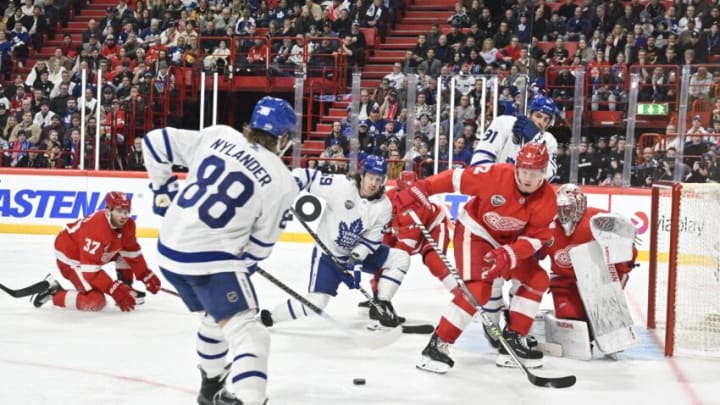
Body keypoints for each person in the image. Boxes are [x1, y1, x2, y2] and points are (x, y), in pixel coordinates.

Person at [144, 96, 299, 405]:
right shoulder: (284, 182)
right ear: (283, 137)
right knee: (250, 333)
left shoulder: (219, 135)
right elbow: (259, 248)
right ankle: (250, 399)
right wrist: (240, 267)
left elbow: (153, 142)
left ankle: (211, 385)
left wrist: (163, 190)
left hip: (168, 251)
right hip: (210, 261)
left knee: (215, 319)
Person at [394, 143, 557, 373]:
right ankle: (437, 345)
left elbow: (537, 237)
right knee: (478, 289)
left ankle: (513, 341)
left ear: (544, 173)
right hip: (475, 232)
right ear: (517, 167)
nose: (528, 178)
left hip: (508, 242)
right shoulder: (495, 175)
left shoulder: (548, 198)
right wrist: (423, 188)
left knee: (537, 278)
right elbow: (455, 179)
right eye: (524, 171)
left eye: (535, 173)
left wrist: (511, 253)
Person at [260, 155, 411, 329]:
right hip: (328, 255)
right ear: (362, 174)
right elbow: (307, 176)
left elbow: (373, 239)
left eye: (379, 179)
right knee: (316, 303)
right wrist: (290, 188)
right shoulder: (341, 186)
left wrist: (355, 259)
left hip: (356, 253)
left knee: (401, 258)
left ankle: (381, 304)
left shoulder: (384, 205)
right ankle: (271, 317)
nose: (374, 183)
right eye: (371, 177)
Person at [31, 192, 161, 312]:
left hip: (91, 255)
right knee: (95, 301)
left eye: (126, 212)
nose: (124, 216)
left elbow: (131, 252)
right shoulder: (96, 229)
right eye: (119, 211)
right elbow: (90, 271)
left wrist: (145, 274)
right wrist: (114, 290)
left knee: (122, 252)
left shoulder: (129, 225)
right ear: (108, 210)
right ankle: (54, 293)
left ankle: (125, 285)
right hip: (71, 258)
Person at [360, 170, 458, 310]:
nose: (408, 195)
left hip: (432, 228)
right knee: (380, 255)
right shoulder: (388, 198)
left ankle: (464, 299)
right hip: (401, 229)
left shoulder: (417, 205)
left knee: (434, 260)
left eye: (412, 190)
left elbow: (404, 249)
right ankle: (377, 297)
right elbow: (382, 231)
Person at [544, 184, 638, 325]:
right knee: (571, 318)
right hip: (564, 284)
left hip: (596, 281)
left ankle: (608, 307)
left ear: (581, 204)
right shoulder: (548, 227)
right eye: (561, 208)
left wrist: (623, 268)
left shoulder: (599, 219)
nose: (565, 213)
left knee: (600, 319)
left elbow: (624, 251)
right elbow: (532, 255)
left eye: (569, 207)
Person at [471, 95, 559, 180]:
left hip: (524, 192)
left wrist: (532, 145)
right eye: (538, 116)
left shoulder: (549, 141)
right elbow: (479, 160)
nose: (541, 122)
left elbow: (549, 175)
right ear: (529, 114)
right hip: (493, 187)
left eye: (546, 119)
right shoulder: (503, 123)